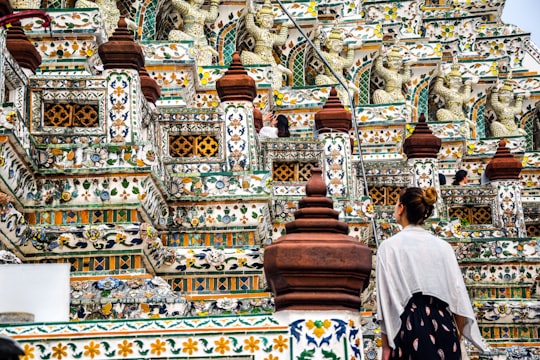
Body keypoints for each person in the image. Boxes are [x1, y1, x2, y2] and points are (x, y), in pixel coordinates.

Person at [376, 187, 487, 360]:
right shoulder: (443, 247)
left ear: (402, 208)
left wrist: (386, 347)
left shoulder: (389, 247)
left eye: (396, 203)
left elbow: (386, 303)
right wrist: (454, 337)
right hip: (444, 323)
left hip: (409, 327)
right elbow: (457, 297)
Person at [240, 0, 293, 89]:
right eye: (266, 18)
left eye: (271, 18)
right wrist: (250, 12)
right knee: (245, 56)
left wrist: (285, 26)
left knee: (276, 77)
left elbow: (281, 40)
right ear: (260, 19)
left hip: (270, 60)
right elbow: (250, 27)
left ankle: (277, 78)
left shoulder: (272, 36)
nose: (269, 20)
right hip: (260, 58)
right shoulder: (259, 32)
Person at [313, 24, 360, 103]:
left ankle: (346, 106)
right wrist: (316, 38)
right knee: (320, 78)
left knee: (348, 94)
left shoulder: (341, 60)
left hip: (342, 82)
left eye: (340, 43)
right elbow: (316, 53)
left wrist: (351, 48)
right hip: (330, 80)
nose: (339, 44)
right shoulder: (327, 56)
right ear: (329, 44)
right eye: (336, 42)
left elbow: (349, 62)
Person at [168, 0, 221, 65]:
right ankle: (200, 46)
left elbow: (212, 17)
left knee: (206, 57)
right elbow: (175, 1)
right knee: (173, 33)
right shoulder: (188, 8)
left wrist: (214, 2)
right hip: (190, 38)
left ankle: (202, 48)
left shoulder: (202, 13)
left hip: (201, 40)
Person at [432, 62, 476, 137]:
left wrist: (468, 85)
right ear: (449, 81)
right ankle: (450, 131)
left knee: (465, 126)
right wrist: (441, 76)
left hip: (460, 117)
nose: (458, 81)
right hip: (450, 115)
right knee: (441, 112)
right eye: (455, 79)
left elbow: (466, 99)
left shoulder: (460, 95)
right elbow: (437, 88)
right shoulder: (448, 92)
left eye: (459, 79)